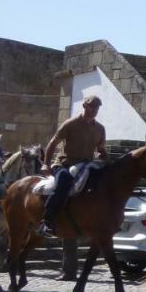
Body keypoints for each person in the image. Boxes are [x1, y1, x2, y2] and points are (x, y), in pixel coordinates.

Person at [39, 95, 108, 238]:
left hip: (86, 165)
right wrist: (46, 163)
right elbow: (53, 143)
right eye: (92, 106)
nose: (94, 109)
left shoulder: (100, 129)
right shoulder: (71, 124)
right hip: (65, 164)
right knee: (64, 180)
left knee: (103, 183)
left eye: (97, 107)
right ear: (84, 106)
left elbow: (101, 149)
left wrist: (104, 158)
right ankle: (47, 221)